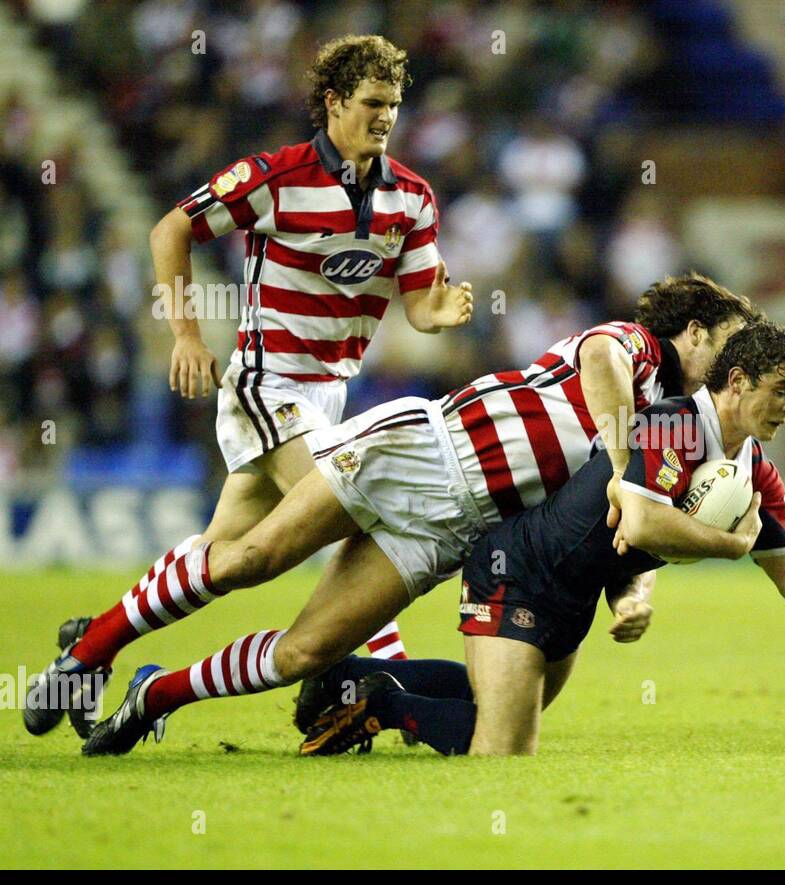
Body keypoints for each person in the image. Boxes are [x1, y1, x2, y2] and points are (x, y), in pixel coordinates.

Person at [73, 277, 759, 755]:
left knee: (304, 653)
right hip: (423, 453)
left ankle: (153, 696)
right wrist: (620, 457)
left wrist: (636, 586)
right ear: (692, 330)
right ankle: (92, 648)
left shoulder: (673, 426)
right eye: (726, 346)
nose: (730, 368)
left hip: (451, 531)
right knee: (249, 558)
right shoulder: (636, 349)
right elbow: (600, 360)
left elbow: (618, 523)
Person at [21, 34, 474, 739]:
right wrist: (186, 334)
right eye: (372, 104)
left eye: (394, 105)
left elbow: (419, 302)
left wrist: (438, 313)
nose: (386, 118)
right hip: (268, 384)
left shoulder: (411, 198)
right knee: (357, 511)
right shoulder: (276, 176)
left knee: (230, 558)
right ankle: (361, 681)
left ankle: (91, 650)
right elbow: (171, 229)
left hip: (329, 396)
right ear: (332, 102)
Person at [296, 323, 785, 757]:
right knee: (501, 750)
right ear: (737, 381)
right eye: (782, 390)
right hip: (517, 573)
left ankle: (353, 676)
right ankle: (376, 705)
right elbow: (640, 523)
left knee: (496, 710)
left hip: (573, 599)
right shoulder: (674, 424)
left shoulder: (752, 466)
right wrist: (730, 547)